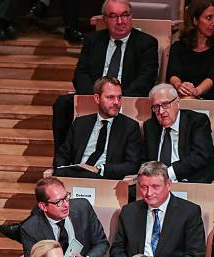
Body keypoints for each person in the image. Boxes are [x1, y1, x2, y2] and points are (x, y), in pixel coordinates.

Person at [52, 0, 158, 153]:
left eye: (125, 15)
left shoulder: (146, 43)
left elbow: (146, 78)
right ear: (105, 20)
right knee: (62, 104)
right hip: (95, 96)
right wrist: (95, 97)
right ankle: (61, 159)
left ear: (131, 16)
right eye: (113, 16)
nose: (120, 21)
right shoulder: (92, 40)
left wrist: (115, 98)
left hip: (127, 97)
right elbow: (81, 74)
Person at [110, 161, 206, 257]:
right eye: (144, 187)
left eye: (155, 187)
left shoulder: (189, 212)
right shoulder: (129, 211)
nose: (149, 193)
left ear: (169, 184)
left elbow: (195, 256)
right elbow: (117, 250)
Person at [52, 77, 142, 180]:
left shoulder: (129, 127)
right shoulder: (80, 123)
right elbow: (62, 155)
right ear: (97, 98)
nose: (117, 102)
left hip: (103, 179)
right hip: (75, 176)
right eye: (110, 97)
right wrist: (63, 169)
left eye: (119, 97)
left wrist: (99, 169)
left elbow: (132, 165)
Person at [21, 177, 109, 257]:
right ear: (43, 206)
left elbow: (102, 243)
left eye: (66, 197)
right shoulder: (30, 228)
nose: (66, 205)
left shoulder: (83, 208)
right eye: (58, 202)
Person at [142, 83, 214, 183]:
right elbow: (145, 160)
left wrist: (168, 173)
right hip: (157, 185)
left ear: (178, 102)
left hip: (191, 181)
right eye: (156, 107)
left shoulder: (197, 121)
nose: (161, 111)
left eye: (165, 105)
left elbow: (201, 156)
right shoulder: (150, 126)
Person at [166, 0, 214, 101]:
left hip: (205, 99)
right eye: (209, 18)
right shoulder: (178, 47)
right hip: (180, 96)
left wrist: (196, 91)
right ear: (195, 20)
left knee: (188, 99)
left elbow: (212, 78)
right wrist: (180, 86)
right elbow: (173, 74)